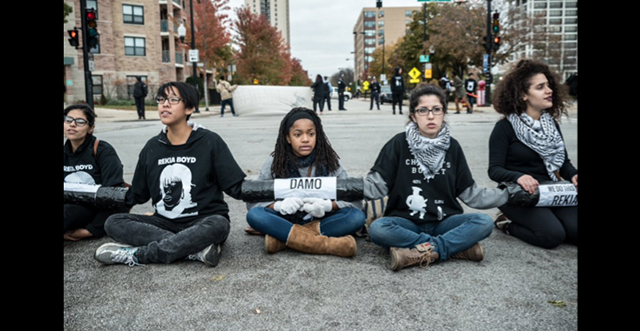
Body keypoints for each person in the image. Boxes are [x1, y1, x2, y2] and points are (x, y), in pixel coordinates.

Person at [94, 81, 246, 267]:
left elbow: (234, 185)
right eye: (161, 99)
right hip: (163, 222)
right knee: (114, 222)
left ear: (189, 108)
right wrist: (95, 194)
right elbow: (139, 194)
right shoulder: (152, 147)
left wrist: (277, 190)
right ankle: (194, 249)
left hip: (203, 221)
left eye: (173, 99)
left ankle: (138, 255)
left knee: (219, 224)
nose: (165, 104)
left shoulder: (210, 141)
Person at [363, 84, 509, 271]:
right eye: (423, 110)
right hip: (405, 222)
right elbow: (376, 187)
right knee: (378, 229)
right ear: (414, 116)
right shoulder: (398, 144)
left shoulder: (453, 147)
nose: (430, 116)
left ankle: (421, 252)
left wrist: (507, 194)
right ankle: (452, 248)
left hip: (445, 222)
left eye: (436, 110)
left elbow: (470, 194)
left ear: (443, 113)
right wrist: (339, 188)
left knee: (484, 223)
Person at [246, 107, 366, 257]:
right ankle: (327, 245)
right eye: (298, 134)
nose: (305, 139)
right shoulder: (275, 161)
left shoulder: (330, 160)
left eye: (311, 134)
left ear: (318, 135)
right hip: (284, 219)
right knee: (255, 215)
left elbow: (355, 202)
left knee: (357, 217)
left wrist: (328, 205)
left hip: (322, 220)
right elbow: (252, 203)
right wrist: (279, 205)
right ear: (288, 138)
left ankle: (283, 240)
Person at [488, 58, 578, 249]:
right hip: (518, 195)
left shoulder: (551, 125)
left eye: (548, 85)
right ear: (523, 95)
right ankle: (506, 223)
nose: (549, 90)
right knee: (552, 236)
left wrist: (574, 175)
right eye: (540, 87)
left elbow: (563, 163)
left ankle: (550, 217)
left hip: (550, 191)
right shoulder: (504, 127)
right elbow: (494, 170)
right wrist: (519, 176)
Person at [64, 104, 128, 241]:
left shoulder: (102, 151)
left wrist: (91, 230)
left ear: (90, 128)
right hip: (69, 206)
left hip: (94, 210)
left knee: (68, 211)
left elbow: (115, 194)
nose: (72, 125)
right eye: (68, 120)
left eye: (80, 122)